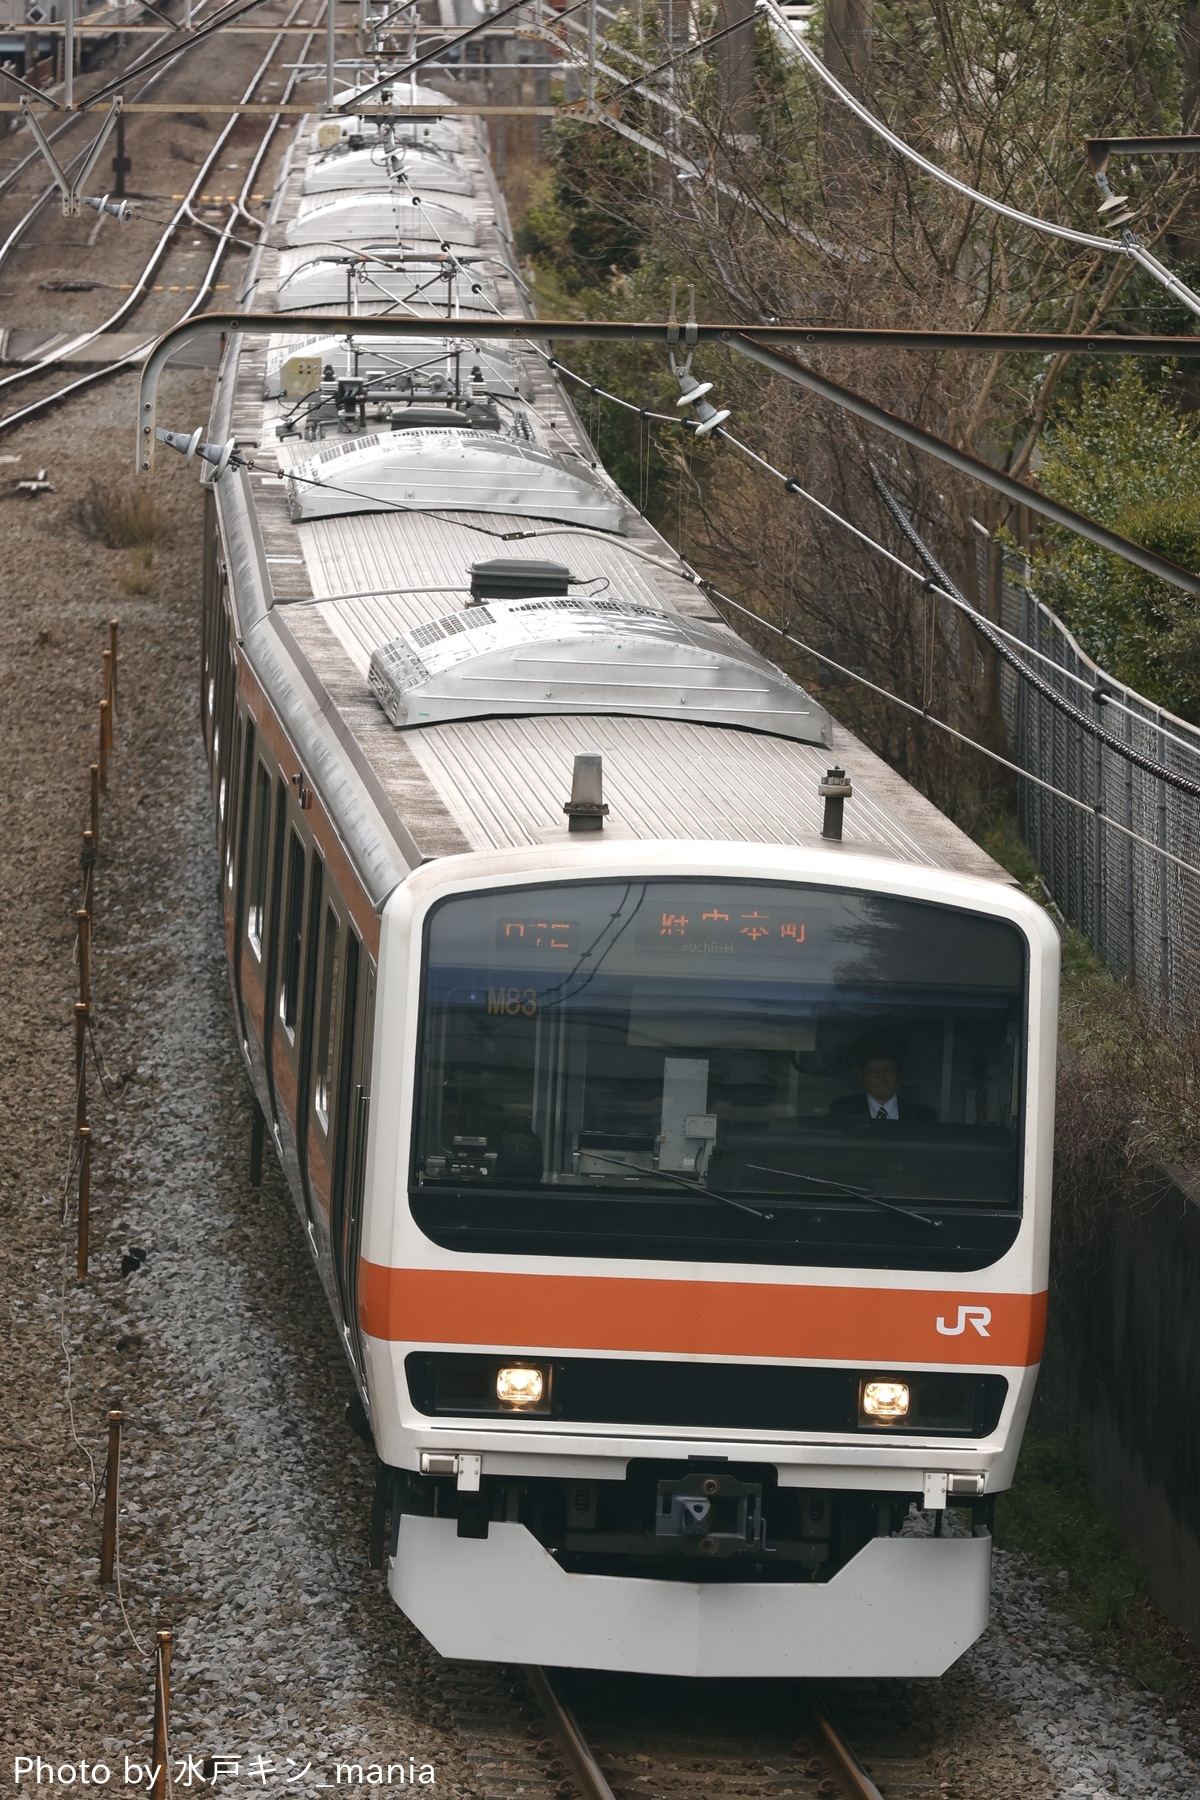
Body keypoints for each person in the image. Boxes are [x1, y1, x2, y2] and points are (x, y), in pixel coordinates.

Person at [827, 1034, 936, 1124]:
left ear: (898, 1072)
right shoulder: (844, 1110)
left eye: (888, 1071)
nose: (882, 1078)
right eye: (874, 1071)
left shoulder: (921, 1115)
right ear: (862, 1074)